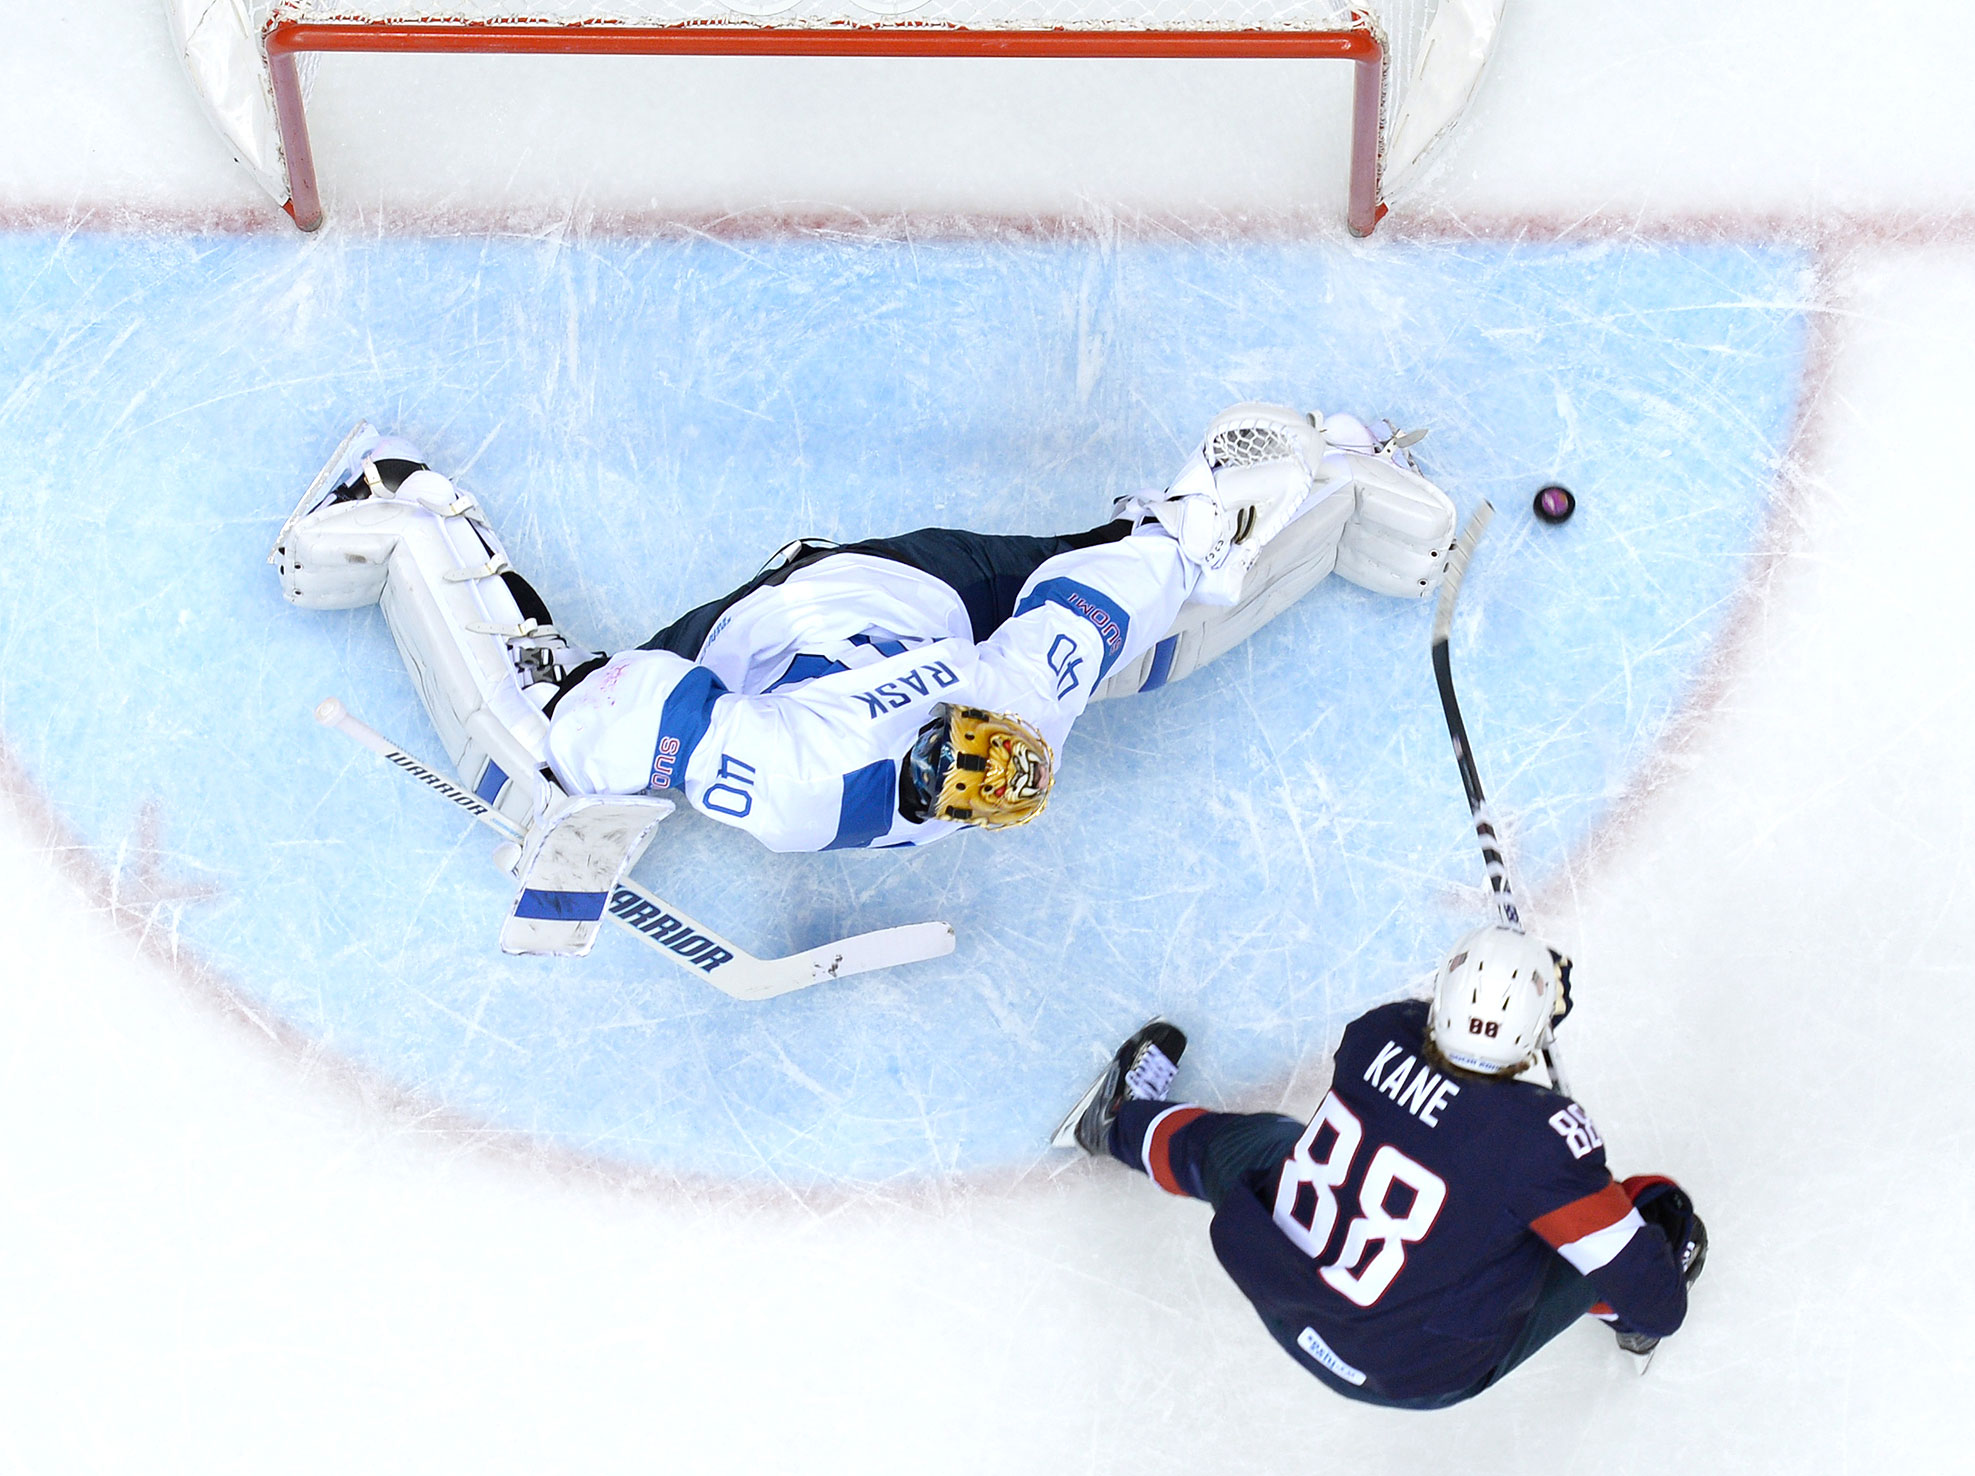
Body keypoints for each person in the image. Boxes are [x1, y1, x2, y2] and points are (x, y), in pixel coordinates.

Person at [272, 403, 1455, 952]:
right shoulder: (793, 783)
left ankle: (1339, 472)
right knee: (540, 743)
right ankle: (397, 498)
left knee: (1160, 620)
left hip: (942, 592)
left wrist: (1203, 526)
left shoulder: (1017, 703)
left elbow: (1090, 611)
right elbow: (644, 707)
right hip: (809, 611)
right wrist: (571, 791)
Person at [1054, 926, 1708, 1406]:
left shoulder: (1378, 1033)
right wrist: (1640, 1296)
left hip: (1287, 1299)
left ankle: (1112, 1123)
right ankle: (1618, 1325)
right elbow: (1661, 1299)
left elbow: (1439, 1080)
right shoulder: (1540, 1143)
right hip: (1411, 1370)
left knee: (1261, 1145)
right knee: (1653, 1214)